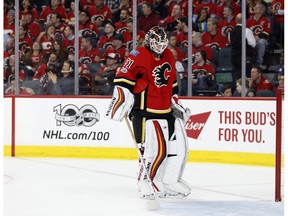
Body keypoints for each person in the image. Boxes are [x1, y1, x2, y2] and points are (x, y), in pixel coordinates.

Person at [105, 26, 191, 198]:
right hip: (145, 112)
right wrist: (120, 103)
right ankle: (146, 181)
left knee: (176, 150)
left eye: (163, 43)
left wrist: (175, 103)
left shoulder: (168, 55)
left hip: (166, 112)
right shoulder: (138, 55)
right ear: (150, 41)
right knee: (152, 150)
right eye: (157, 43)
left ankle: (167, 181)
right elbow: (123, 80)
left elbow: (171, 83)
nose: (161, 47)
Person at [229, 13, 256, 80]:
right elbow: (253, 44)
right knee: (246, 75)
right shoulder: (246, 31)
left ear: (236, 20)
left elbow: (231, 42)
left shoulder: (231, 32)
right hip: (245, 56)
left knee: (237, 75)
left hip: (234, 57)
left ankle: (237, 88)